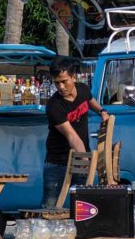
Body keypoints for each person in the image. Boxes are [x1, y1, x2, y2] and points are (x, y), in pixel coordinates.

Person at [43, 56, 109, 208]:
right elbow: (72, 136)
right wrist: (86, 160)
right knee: (50, 207)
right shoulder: (54, 106)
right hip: (57, 163)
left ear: (74, 77)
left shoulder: (83, 89)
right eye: (56, 83)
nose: (60, 87)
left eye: (64, 81)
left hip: (80, 159)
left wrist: (102, 111)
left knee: (81, 207)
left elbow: (91, 102)